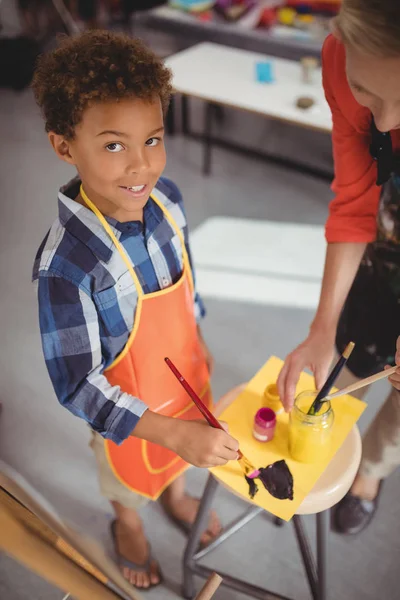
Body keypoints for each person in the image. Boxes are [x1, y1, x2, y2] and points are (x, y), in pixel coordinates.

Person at [32, 30, 239, 589]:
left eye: (153, 139)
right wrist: (165, 431)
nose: (141, 166)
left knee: (182, 452)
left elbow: (184, 274)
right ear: (64, 146)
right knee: (125, 479)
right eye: (114, 144)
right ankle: (128, 523)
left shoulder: (167, 197)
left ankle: (175, 494)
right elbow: (78, 387)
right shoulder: (65, 267)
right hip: (127, 410)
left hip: (184, 373)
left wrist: (196, 329)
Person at [277, 0, 400, 535]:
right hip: (385, 245)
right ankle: (329, 448)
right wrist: (321, 328)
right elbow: (356, 203)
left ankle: (370, 471)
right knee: (352, 353)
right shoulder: (337, 59)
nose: (387, 121)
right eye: (367, 89)